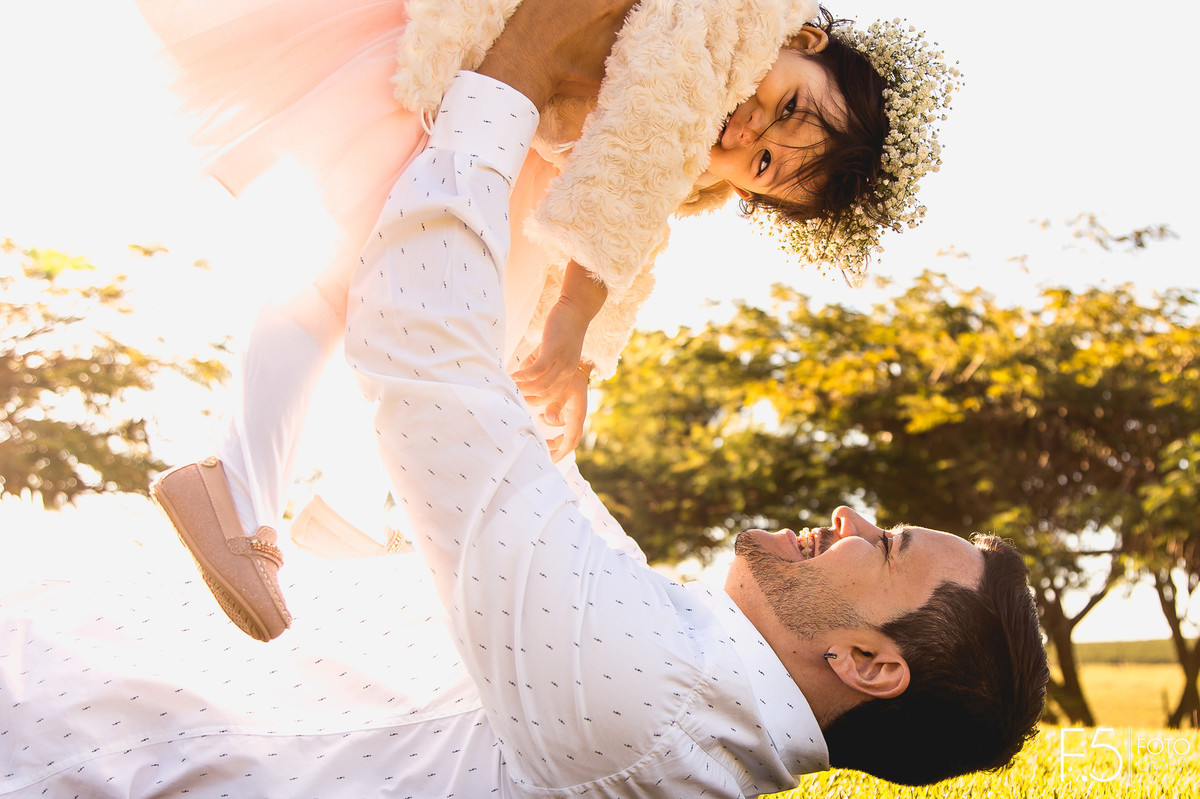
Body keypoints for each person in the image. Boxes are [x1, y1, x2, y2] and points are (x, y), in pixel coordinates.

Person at [139, 0, 960, 640]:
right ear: (807, 38)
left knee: (464, 341)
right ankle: (240, 487)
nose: (748, 131)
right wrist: (570, 326)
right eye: (787, 108)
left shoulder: (693, 141)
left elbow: (641, 222)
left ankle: (357, 513)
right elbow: (633, 161)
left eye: (765, 165)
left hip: (501, 141)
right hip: (454, 79)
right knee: (333, 289)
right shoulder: (723, 22)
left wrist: (584, 352)